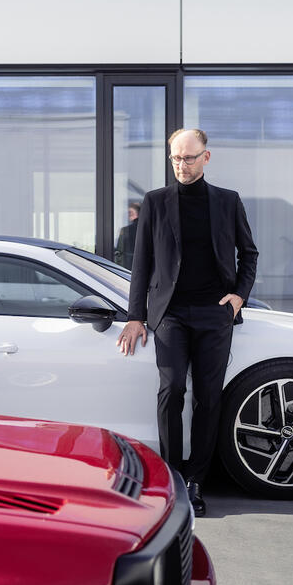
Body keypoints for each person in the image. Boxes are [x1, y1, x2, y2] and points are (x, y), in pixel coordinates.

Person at [116, 129, 258, 516]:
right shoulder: (155, 201)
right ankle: (173, 476)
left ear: (205, 158)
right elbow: (141, 262)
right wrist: (135, 316)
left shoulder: (227, 201)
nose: (181, 165)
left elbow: (249, 253)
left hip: (215, 312)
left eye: (189, 158)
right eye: (176, 158)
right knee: (172, 389)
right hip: (172, 314)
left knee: (209, 398)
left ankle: (196, 480)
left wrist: (238, 297)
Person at [114, 200, 141, 268]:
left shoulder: (125, 230)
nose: (128, 215)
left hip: (127, 267)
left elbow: (119, 252)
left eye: (130, 212)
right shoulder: (149, 229)